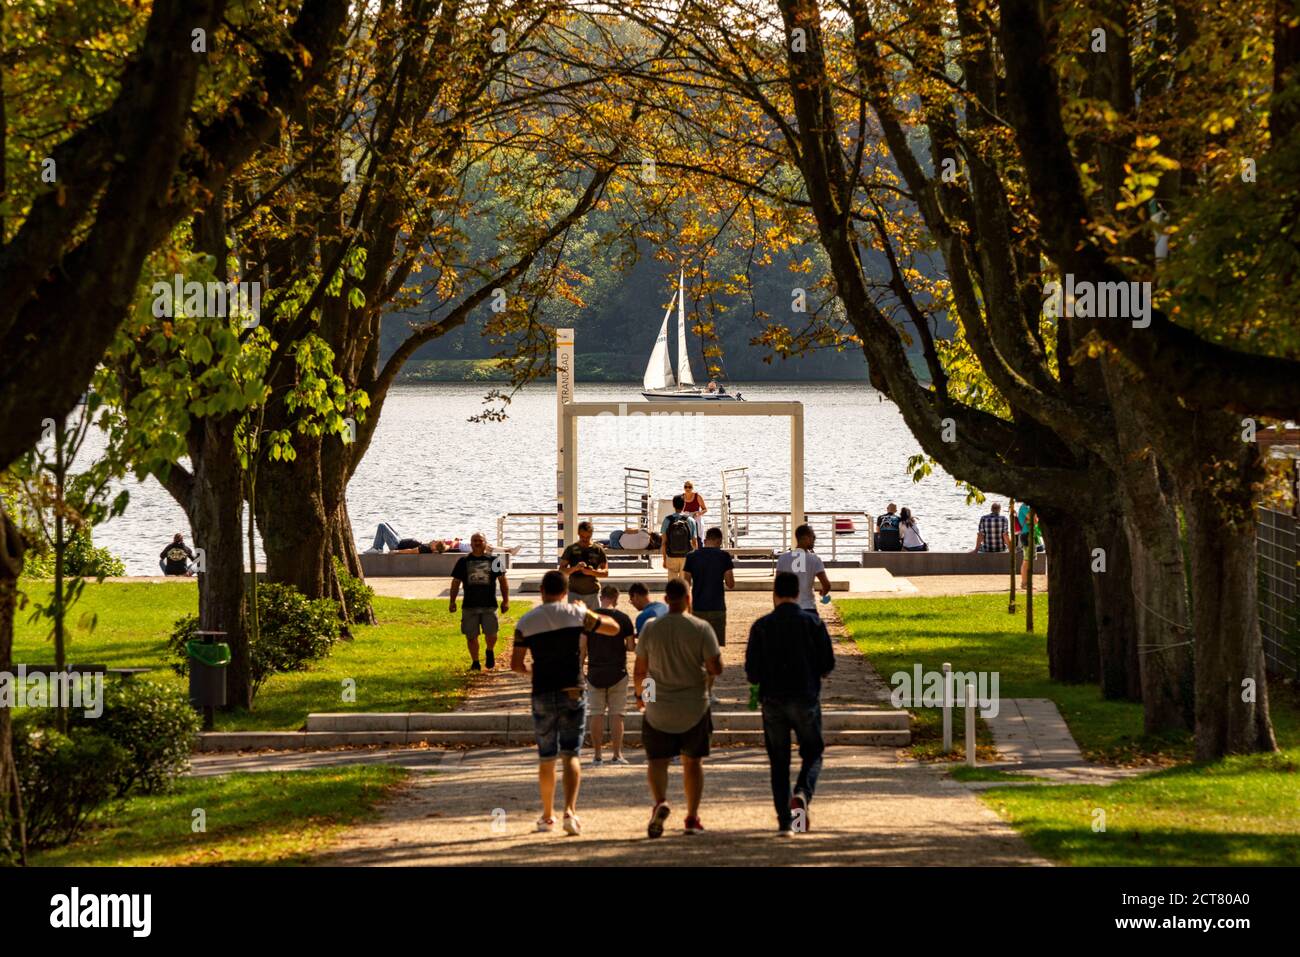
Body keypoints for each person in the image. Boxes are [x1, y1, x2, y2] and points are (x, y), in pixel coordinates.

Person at [512, 570, 622, 836]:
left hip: (542, 690)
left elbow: (516, 664)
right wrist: (585, 610)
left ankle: (547, 815)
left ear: (541, 591)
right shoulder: (576, 615)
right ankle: (569, 813)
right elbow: (613, 628)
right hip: (573, 689)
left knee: (547, 756)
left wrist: (532, 672)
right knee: (571, 754)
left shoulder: (526, 621)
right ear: (565, 592)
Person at [745, 571, 835, 835]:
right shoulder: (812, 623)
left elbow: (752, 672)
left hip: (772, 700)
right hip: (805, 696)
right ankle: (803, 792)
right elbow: (827, 664)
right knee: (813, 752)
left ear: (775, 593)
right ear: (798, 593)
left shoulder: (761, 626)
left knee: (779, 761)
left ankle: (786, 823)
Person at [633, 578, 722, 837]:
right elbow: (716, 667)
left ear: (665, 600)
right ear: (688, 600)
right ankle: (692, 817)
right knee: (692, 763)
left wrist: (642, 697)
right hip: (694, 705)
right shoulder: (701, 627)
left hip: (659, 706)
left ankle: (660, 801)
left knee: (657, 761)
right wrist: (706, 679)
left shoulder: (651, 628)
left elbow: (641, 672)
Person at [584, 585, 636, 765]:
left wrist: (580, 668)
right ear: (616, 598)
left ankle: (597, 755)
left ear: (601, 596)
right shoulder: (623, 619)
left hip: (595, 670)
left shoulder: (590, 618)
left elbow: (582, 647)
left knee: (596, 714)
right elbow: (630, 647)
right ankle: (617, 754)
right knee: (617, 714)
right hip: (618, 671)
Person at [683, 526, 735, 706]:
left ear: (706, 539)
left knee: (697, 651)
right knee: (713, 652)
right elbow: (730, 583)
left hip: (697, 608)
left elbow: (685, 584)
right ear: (719, 540)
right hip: (717, 608)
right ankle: (708, 691)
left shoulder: (691, 557)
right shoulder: (724, 557)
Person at [449, 532, 509, 671]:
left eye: (480, 540)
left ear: (485, 543)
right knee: (471, 636)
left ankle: (489, 651)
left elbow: (503, 581)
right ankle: (475, 662)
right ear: (470, 544)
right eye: (474, 541)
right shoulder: (463, 562)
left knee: (492, 634)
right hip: (469, 606)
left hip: (489, 605)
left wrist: (506, 601)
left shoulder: (494, 561)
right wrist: (452, 601)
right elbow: (455, 582)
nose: (477, 543)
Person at [776, 524, 832, 615]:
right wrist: (823, 593)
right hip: (808, 608)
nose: (814, 540)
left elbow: (777, 587)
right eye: (813, 537)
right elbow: (826, 584)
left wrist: (777, 609)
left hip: (787, 608)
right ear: (806, 538)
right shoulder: (814, 560)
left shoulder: (783, 559)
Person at [558, 521, 608, 607]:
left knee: (594, 620)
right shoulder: (571, 549)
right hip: (574, 593)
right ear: (578, 533)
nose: (585, 539)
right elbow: (561, 571)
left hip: (593, 593)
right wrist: (575, 568)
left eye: (588, 537)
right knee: (575, 620)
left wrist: (592, 572)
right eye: (582, 536)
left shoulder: (598, 550)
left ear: (592, 534)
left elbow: (605, 573)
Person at [659, 494, 699, 578]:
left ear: (673, 505)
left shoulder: (667, 520)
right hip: (686, 557)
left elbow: (664, 543)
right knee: (684, 585)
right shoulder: (690, 520)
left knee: (673, 585)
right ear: (684, 505)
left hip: (671, 555)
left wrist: (664, 559)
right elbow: (694, 542)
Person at [1016, 503, 1045, 588]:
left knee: (1029, 559)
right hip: (1027, 535)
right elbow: (1034, 520)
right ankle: (1025, 583)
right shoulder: (1024, 507)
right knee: (1027, 560)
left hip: (1030, 535)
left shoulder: (1027, 507)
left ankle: (1026, 582)